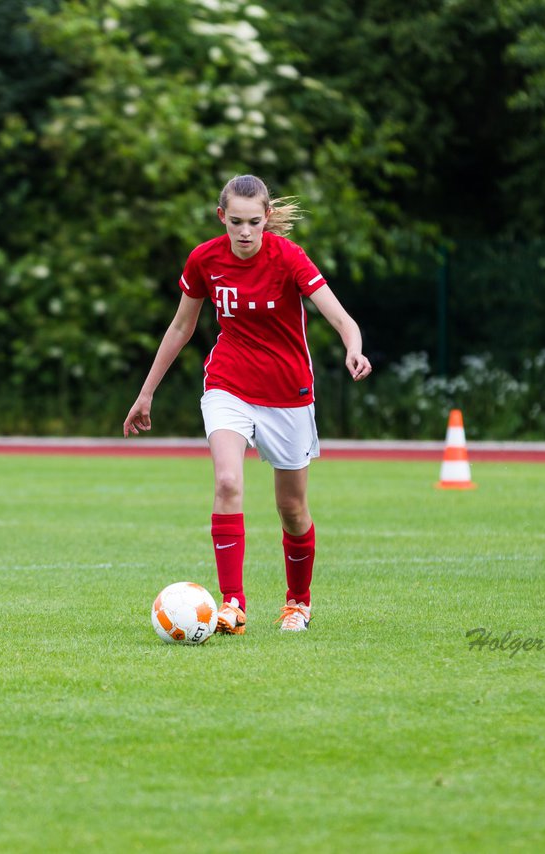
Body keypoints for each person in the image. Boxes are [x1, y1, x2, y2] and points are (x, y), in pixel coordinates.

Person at [122, 174, 372, 633]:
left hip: (287, 392)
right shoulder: (205, 259)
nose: (243, 232)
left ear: (267, 219)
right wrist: (146, 391)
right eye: (235, 221)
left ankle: (298, 602)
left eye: (253, 222)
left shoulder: (289, 258)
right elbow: (181, 327)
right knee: (227, 481)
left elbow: (341, 318)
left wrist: (353, 347)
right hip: (228, 383)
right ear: (222, 217)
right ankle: (232, 603)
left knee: (292, 509)